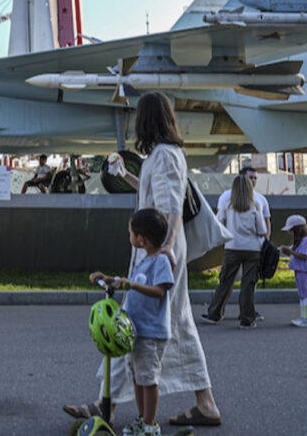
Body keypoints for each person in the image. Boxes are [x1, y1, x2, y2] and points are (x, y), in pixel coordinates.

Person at [64, 92, 222, 427]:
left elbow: (171, 206)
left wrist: (163, 247)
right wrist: (127, 175)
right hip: (160, 249)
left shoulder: (164, 156)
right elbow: (151, 195)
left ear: (146, 120)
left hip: (156, 252)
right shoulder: (163, 156)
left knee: (130, 323)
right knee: (175, 322)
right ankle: (204, 402)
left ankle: (104, 404)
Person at [89, 209, 174, 436]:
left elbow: (160, 290)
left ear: (141, 239)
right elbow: (128, 283)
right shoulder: (144, 261)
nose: (130, 237)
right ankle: (142, 419)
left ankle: (150, 424)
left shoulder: (161, 262)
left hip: (152, 333)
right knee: (137, 377)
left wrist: (132, 285)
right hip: (136, 332)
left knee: (149, 379)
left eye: (130, 233)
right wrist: (109, 280)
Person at [201, 174, 268, 328]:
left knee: (225, 282)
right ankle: (246, 319)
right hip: (252, 250)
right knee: (248, 285)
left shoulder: (228, 206)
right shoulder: (255, 207)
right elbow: (262, 230)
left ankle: (214, 314)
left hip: (232, 248)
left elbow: (218, 223)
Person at [280, 214, 307, 327]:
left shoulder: (304, 240)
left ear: (297, 229)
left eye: (291, 229)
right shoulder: (301, 240)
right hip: (300, 269)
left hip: (303, 269)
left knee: (304, 293)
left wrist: (290, 252)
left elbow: (303, 256)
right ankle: (304, 317)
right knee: (302, 293)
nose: (290, 232)